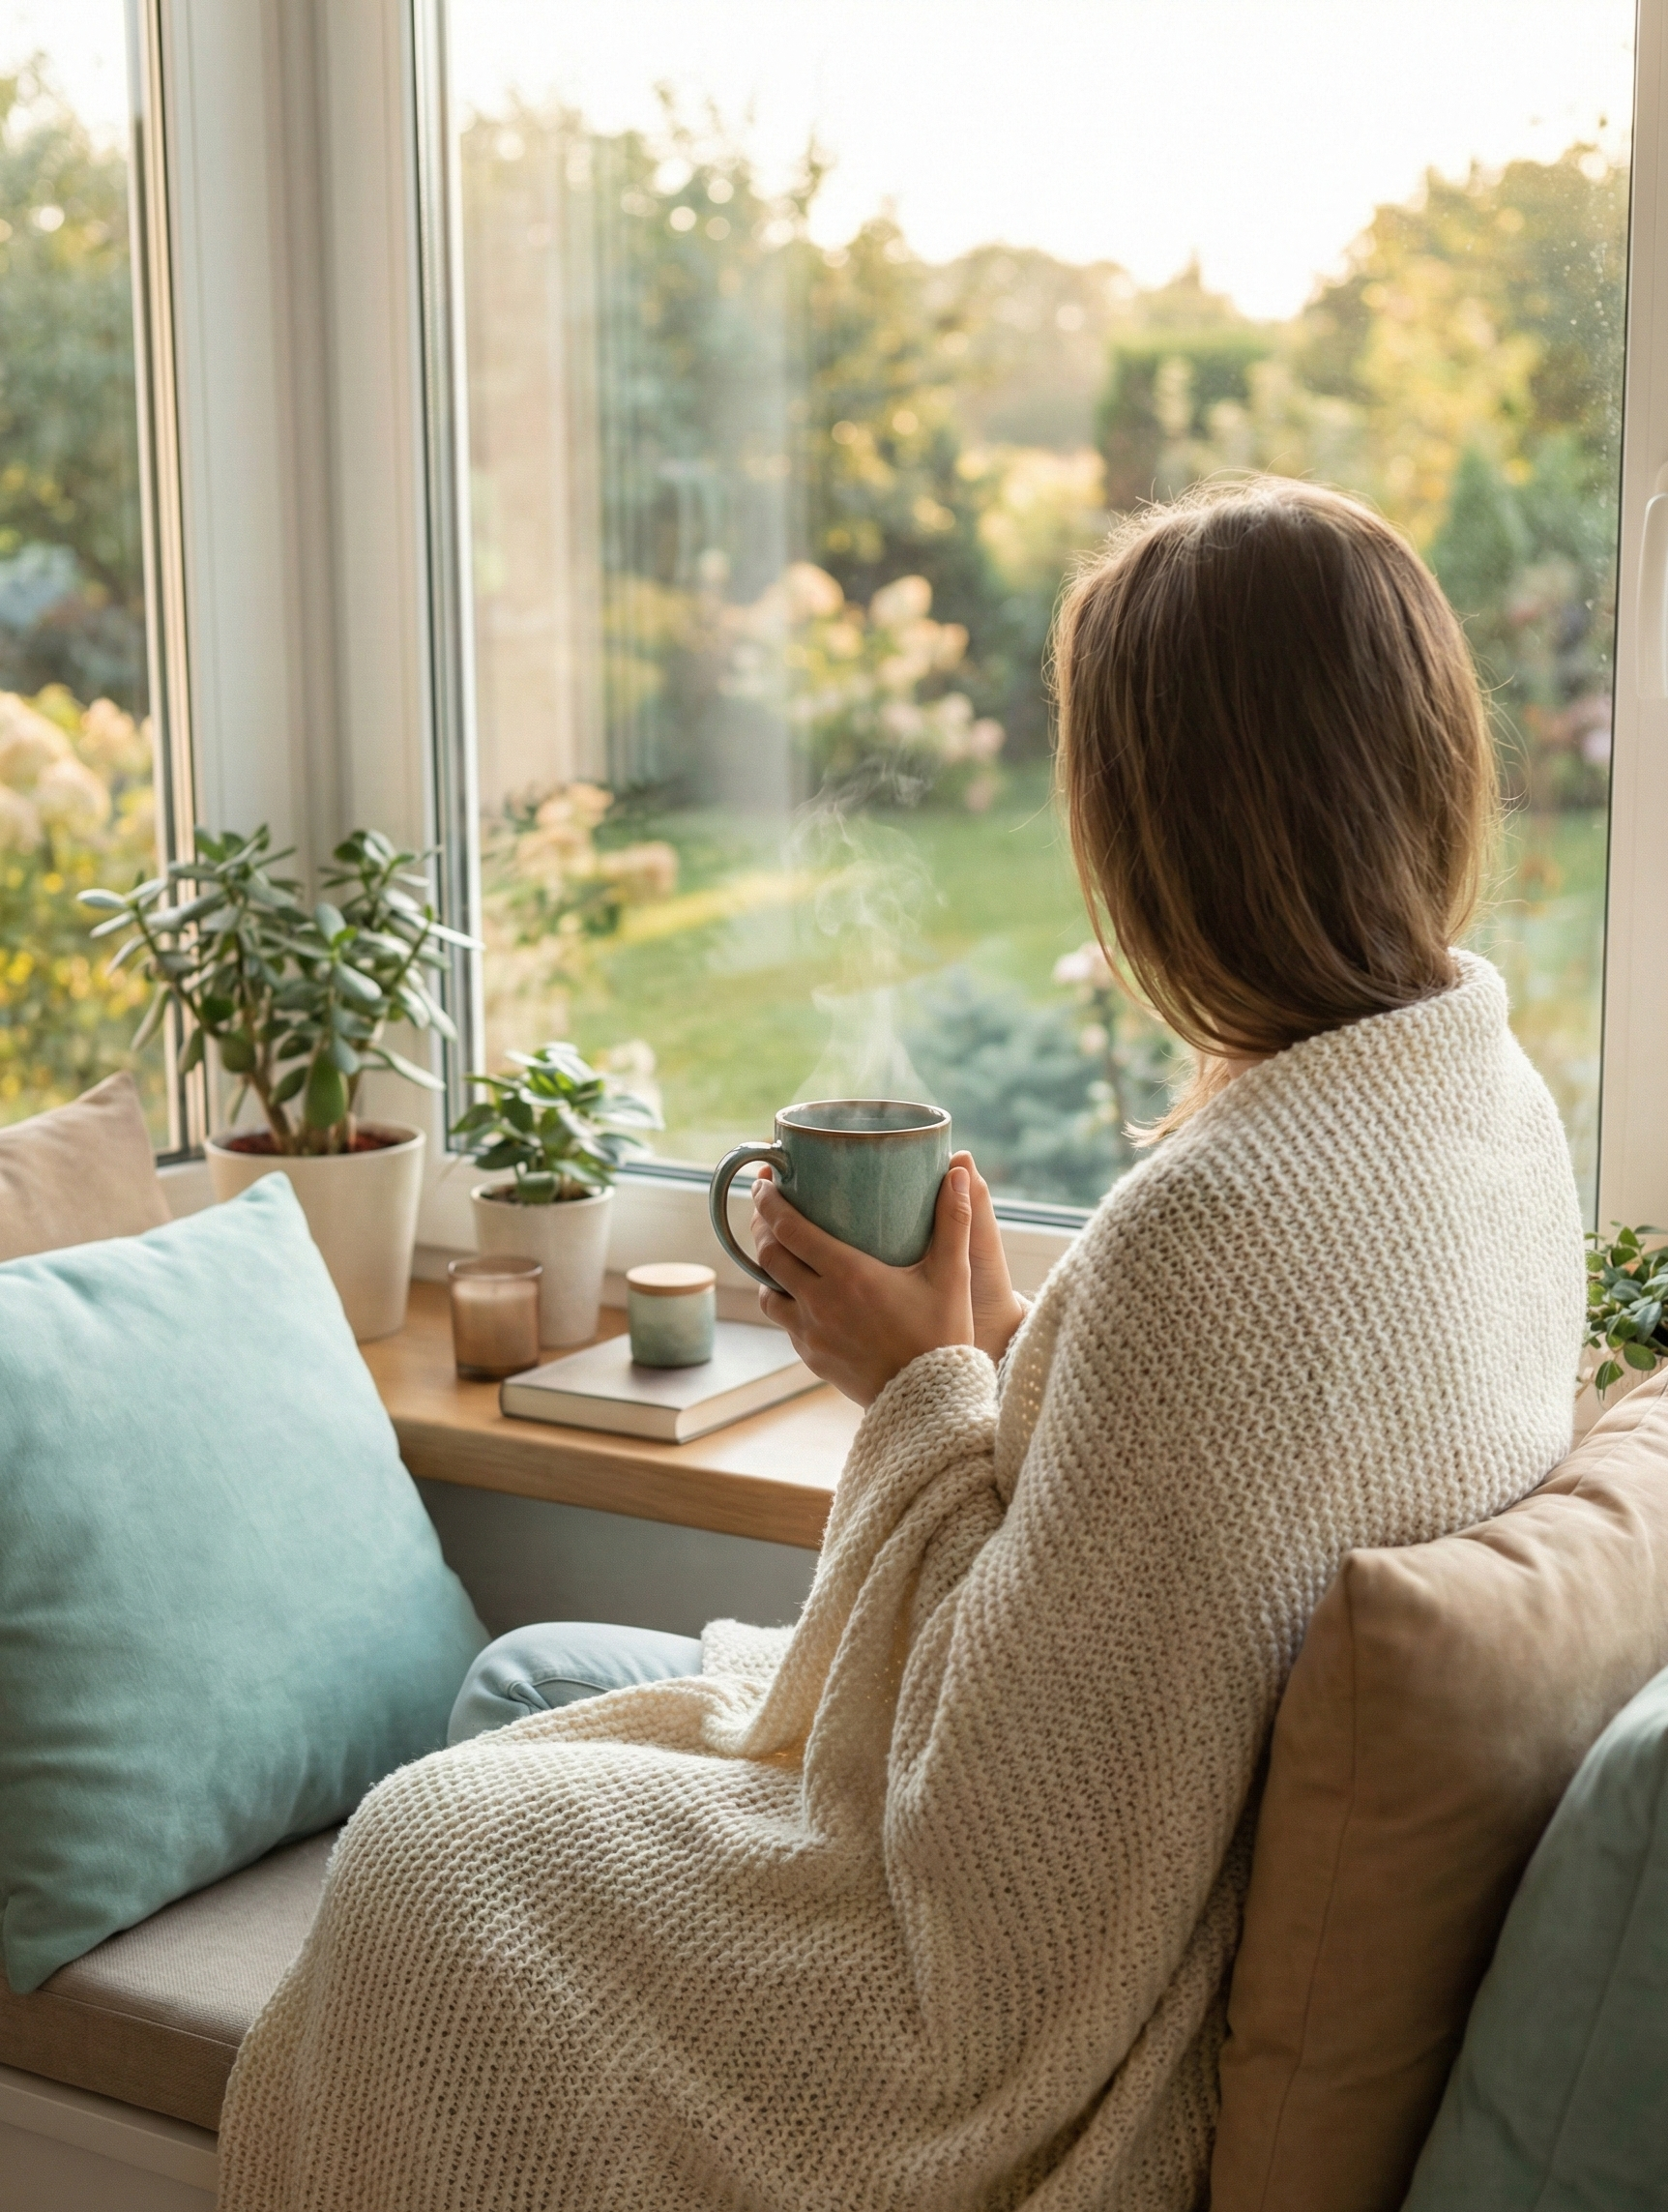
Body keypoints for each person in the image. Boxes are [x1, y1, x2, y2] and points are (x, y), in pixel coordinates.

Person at [220, 479, 1584, 2212]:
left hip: (984, 2025)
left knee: (418, 1860)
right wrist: (1015, 1346)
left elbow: (995, 1888)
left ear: (1173, 828)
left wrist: (919, 1387)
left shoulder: (1222, 1225)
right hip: (1152, 1881)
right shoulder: (1478, 1106)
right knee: (526, 1703)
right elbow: (1206, 1534)